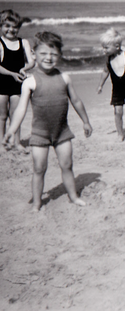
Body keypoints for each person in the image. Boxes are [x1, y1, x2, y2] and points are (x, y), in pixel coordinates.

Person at [2, 32, 93, 212]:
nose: (48, 58)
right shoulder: (30, 81)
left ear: (59, 55)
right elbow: (21, 109)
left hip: (62, 132)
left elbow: (76, 101)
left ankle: (73, 197)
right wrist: (12, 130)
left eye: (53, 54)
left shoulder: (65, 78)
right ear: (34, 54)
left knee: (67, 165)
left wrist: (86, 121)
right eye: (43, 53)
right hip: (40, 134)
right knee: (39, 169)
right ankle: (37, 203)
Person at [0, 10, 34, 153]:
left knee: (16, 115)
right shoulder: (0, 43)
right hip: (1, 83)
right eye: (7, 26)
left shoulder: (23, 42)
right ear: (1, 26)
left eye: (14, 26)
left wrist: (24, 69)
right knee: (2, 116)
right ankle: (1, 143)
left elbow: (31, 61)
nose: (11, 29)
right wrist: (12, 74)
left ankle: (17, 142)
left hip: (17, 83)